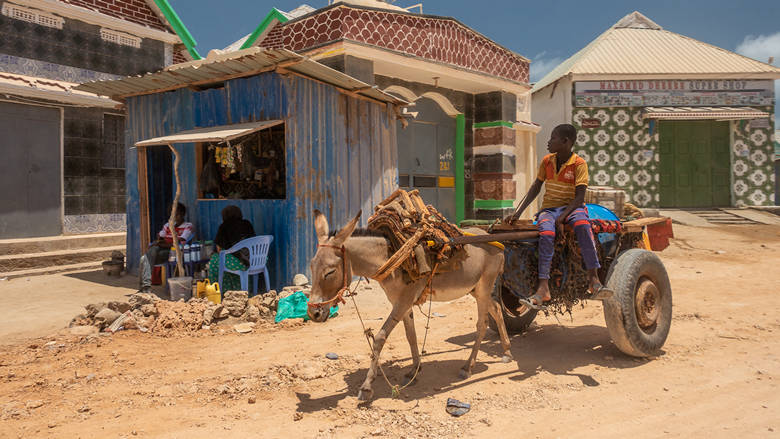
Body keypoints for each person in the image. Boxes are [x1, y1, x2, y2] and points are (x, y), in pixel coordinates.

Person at [506, 124, 611, 310]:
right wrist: (518, 212)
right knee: (546, 234)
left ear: (566, 142)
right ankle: (543, 287)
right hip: (549, 209)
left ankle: (593, 278)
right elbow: (535, 188)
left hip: (572, 208)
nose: (548, 142)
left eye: (553, 138)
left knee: (582, 226)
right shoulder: (547, 161)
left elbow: (579, 197)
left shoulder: (579, 164)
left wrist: (562, 218)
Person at [138, 202, 194, 293]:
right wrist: (160, 242)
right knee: (146, 256)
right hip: (161, 250)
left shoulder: (188, 226)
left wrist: (161, 243)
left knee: (144, 259)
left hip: (174, 253)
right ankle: (145, 287)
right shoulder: (168, 225)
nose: (176, 217)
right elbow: (160, 237)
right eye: (173, 214)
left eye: (178, 214)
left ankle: (145, 287)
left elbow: (179, 242)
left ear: (183, 214)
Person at [208, 205, 256, 292]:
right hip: (255, 260)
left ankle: (216, 290)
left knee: (215, 259)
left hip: (240, 263)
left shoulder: (224, 226)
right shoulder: (247, 223)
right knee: (228, 258)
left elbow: (219, 249)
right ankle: (245, 290)